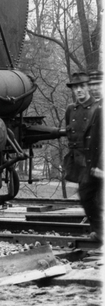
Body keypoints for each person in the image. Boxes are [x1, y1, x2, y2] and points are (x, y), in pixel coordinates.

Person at [64, 70, 102, 237]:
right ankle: (99, 230)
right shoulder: (71, 110)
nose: (78, 90)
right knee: (87, 197)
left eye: (82, 86)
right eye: (75, 87)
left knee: (94, 197)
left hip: (95, 158)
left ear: (89, 88)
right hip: (79, 161)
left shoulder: (98, 108)